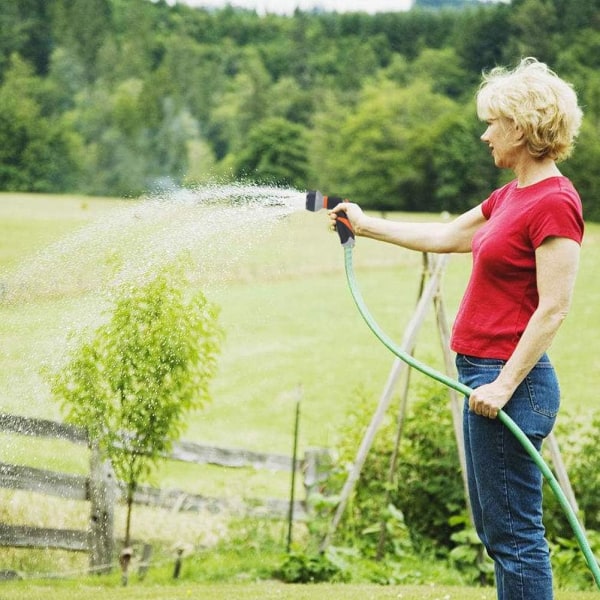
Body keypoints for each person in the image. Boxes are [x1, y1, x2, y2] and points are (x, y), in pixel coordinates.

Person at [329, 57, 584, 600]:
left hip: (510, 384)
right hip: (484, 378)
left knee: (515, 537)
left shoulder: (556, 202)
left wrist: (503, 385)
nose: (486, 133)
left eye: (494, 122)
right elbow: (445, 236)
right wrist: (365, 224)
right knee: (501, 534)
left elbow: (554, 309)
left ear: (522, 126)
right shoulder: (510, 196)